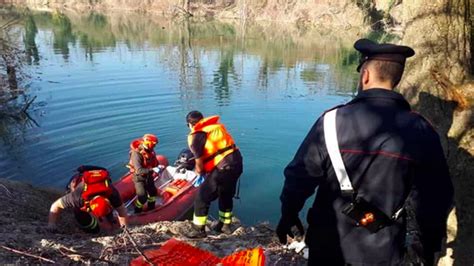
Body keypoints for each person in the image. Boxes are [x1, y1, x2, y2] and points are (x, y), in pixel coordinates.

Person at [276, 39, 454, 265]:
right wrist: (424, 249)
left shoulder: (332, 121)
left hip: (327, 245)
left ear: (365, 75)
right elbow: (435, 197)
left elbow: (299, 176)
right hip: (384, 251)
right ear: (396, 79)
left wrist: (288, 214)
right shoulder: (422, 131)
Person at [185, 111, 243, 238]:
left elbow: (199, 166)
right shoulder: (216, 128)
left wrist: (198, 173)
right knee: (225, 194)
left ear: (190, 124)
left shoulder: (196, 136)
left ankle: (198, 230)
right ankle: (225, 226)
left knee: (201, 198)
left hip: (223, 168)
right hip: (237, 163)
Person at [48, 165, 128, 233]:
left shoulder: (112, 192)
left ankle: (109, 217)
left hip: (96, 175)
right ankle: (92, 229)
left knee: (108, 212)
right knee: (81, 217)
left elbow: (122, 211)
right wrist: (51, 224)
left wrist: (125, 229)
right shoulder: (77, 197)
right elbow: (55, 206)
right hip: (76, 181)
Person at [127, 133, 161, 214]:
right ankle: (137, 211)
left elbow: (154, 162)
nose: (154, 146)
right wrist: (153, 170)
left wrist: (158, 167)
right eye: (154, 144)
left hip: (148, 177)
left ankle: (151, 208)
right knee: (142, 197)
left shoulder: (150, 151)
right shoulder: (136, 154)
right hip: (139, 178)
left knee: (153, 192)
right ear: (148, 143)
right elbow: (138, 170)